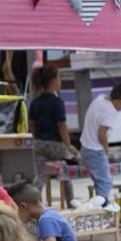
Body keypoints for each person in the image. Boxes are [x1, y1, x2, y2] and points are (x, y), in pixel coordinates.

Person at [80, 83, 121, 206]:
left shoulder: (100, 99)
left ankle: (99, 206)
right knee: (106, 182)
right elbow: (102, 134)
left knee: (99, 181)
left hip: (85, 147)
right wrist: (106, 149)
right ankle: (102, 208)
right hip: (96, 150)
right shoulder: (111, 111)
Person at [28, 66, 76, 198]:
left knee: (39, 177)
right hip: (56, 145)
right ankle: (70, 201)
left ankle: (34, 202)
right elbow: (61, 125)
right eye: (59, 78)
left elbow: (31, 124)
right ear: (53, 81)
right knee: (66, 171)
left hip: (38, 144)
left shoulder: (35, 102)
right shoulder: (57, 102)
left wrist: (36, 136)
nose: (61, 81)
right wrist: (68, 145)